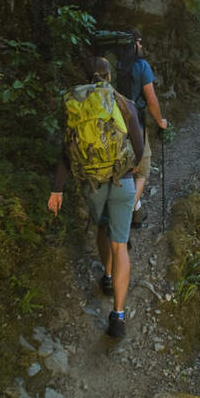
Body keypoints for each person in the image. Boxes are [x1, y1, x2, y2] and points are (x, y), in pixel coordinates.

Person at [48, 58, 144, 338]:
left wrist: (57, 189)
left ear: (87, 77)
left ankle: (107, 276)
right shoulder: (122, 102)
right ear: (109, 76)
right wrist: (130, 164)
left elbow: (68, 151)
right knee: (120, 246)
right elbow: (138, 149)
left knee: (102, 227)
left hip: (92, 184)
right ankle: (118, 316)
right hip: (123, 181)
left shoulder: (76, 104)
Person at [128, 28, 168, 228]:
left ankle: (136, 212)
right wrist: (161, 121)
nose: (141, 46)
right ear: (134, 43)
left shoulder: (110, 66)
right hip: (136, 125)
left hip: (110, 126)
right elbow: (151, 99)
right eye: (140, 42)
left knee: (124, 169)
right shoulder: (141, 66)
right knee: (142, 171)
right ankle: (125, 215)